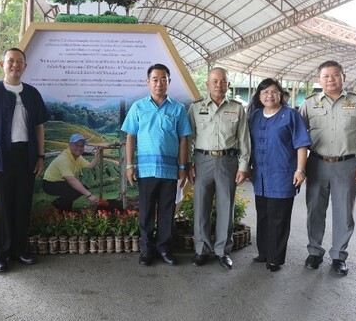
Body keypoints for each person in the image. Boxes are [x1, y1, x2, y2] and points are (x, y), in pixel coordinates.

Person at [0, 47, 50, 273]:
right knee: (1, 207)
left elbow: (39, 127)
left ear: (25, 66)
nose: (15, 65)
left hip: (26, 155)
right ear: (2, 65)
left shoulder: (32, 94)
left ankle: (19, 249)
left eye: (19, 62)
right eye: (10, 61)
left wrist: (40, 156)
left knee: (23, 204)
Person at [299, 61, 356, 276]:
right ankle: (314, 251)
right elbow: (298, 139)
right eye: (326, 76)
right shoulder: (309, 104)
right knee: (315, 210)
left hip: (347, 165)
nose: (330, 79)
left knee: (343, 212)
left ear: (344, 76)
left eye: (335, 75)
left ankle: (338, 255)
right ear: (319, 79)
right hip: (316, 164)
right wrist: (299, 167)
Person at [121, 64, 191, 266]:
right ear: (148, 82)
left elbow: (184, 140)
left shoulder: (178, 109)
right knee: (146, 211)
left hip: (170, 171)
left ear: (169, 81)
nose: (159, 83)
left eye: (163, 79)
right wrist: (129, 165)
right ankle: (146, 250)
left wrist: (182, 167)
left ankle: (164, 248)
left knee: (167, 211)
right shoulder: (138, 107)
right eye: (155, 79)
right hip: (145, 170)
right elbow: (130, 136)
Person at [187, 67, 250, 269]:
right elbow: (188, 140)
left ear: (228, 85)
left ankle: (223, 251)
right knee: (201, 208)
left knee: (226, 207)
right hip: (202, 161)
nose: (218, 85)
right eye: (214, 81)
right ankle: (202, 250)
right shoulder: (195, 108)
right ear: (207, 84)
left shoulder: (237, 108)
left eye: (223, 81)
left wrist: (243, 167)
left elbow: (244, 140)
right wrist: (189, 164)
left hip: (227, 162)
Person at [248, 78, 312, 272]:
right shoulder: (255, 116)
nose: (269, 95)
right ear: (259, 96)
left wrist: (300, 170)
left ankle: (275, 258)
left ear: (281, 95)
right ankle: (264, 252)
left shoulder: (290, 115)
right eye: (265, 92)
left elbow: (301, 144)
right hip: (260, 175)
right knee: (263, 215)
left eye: (273, 92)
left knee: (279, 217)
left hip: (283, 174)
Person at [42, 134, 100, 211]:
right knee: (73, 190)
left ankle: (62, 207)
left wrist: (97, 156)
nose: (79, 148)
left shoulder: (77, 157)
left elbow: (90, 166)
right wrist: (89, 195)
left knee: (79, 189)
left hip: (61, 182)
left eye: (82, 146)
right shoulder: (64, 159)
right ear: (70, 145)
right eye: (76, 145)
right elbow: (71, 181)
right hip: (50, 184)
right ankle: (63, 207)